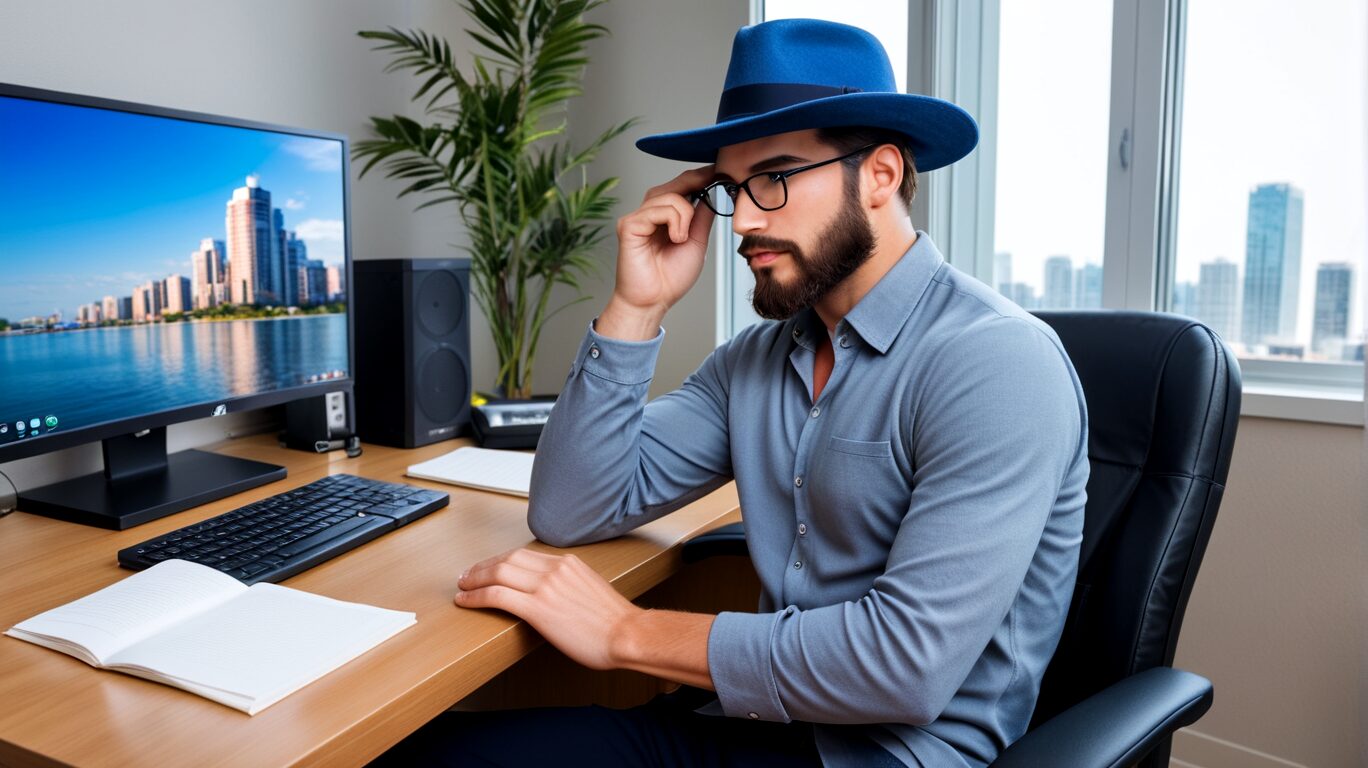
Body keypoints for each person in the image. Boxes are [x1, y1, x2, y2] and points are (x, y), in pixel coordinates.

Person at [377, 18, 1088, 768]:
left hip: (890, 754)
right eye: (730, 188)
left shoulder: (996, 363)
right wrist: (637, 308)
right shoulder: (758, 359)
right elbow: (570, 510)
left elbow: (902, 666)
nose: (744, 219)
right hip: (754, 717)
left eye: (774, 178)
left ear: (880, 175)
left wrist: (625, 632)